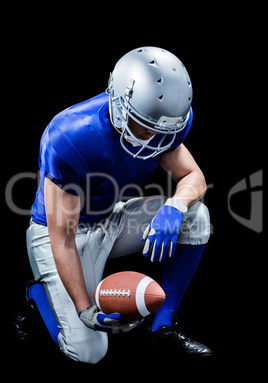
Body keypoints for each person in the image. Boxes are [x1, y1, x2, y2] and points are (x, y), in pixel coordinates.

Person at [24, 46, 212, 363]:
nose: (154, 138)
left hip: (111, 217)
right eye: (145, 125)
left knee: (197, 215)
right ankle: (36, 296)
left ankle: (163, 325)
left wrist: (175, 207)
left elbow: (193, 176)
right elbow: (64, 238)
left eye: (162, 130)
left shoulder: (160, 124)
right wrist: (84, 310)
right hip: (58, 234)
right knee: (88, 352)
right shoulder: (71, 136)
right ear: (120, 104)